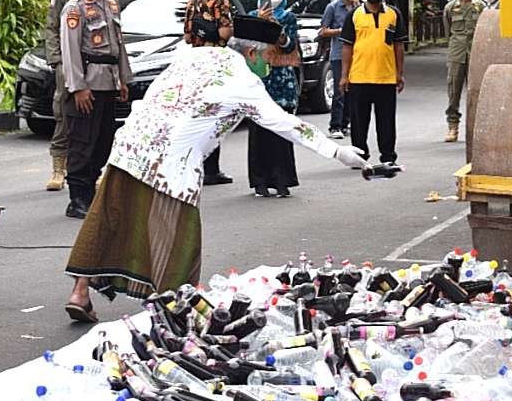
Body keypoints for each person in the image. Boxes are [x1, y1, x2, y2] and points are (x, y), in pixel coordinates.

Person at [62, 27, 367, 319]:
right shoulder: (244, 82)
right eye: (270, 58)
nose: (272, 65)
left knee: (108, 219)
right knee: (180, 241)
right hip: (171, 163)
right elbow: (286, 124)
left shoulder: (193, 54)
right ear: (251, 52)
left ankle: (80, 292)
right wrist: (338, 152)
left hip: (130, 145)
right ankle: (171, 311)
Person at [60, 0, 132, 219]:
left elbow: (119, 44)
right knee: (83, 142)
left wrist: (123, 78)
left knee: (103, 141)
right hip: (88, 84)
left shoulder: (112, 2)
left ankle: (90, 192)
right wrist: (78, 87)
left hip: (109, 81)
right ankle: (78, 198)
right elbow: (69, 49)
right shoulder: (75, 7)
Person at [340, 0, 407, 165]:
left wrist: (399, 74)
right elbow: (347, 46)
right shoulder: (354, 15)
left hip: (386, 78)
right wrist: (344, 76)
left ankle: (388, 157)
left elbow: (398, 46)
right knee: (359, 122)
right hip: (359, 77)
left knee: (386, 121)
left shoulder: (394, 14)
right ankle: (360, 155)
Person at [246, 0, 301, 198]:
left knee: (281, 131)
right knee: (259, 132)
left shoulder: (288, 18)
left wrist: (277, 30)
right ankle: (259, 181)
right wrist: (260, 24)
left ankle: (282, 180)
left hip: (282, 80)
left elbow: (290, 47)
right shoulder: (252, 17)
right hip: (259, 80)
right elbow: (248, 47)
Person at [183, 0, 235, 186]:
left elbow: (186, 36)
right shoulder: (221, 0)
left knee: (198, 116)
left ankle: (196, 164)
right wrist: (215, 32)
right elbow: (225, 32)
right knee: (215, 116)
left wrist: (201, 31)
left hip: (195, 62)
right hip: (216, 63)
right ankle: (211, 169)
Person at [44, 0, 81, 191]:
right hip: (66, 65)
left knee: (94, 119)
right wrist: (56, 60)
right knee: (62, 114)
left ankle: (92, 167)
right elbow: (52, 28)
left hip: (92, 65)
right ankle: (58, 167)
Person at [442, 0, 485, 143]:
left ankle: (475, 128)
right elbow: (448, 32)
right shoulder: (450, 8)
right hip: (457, 53)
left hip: (476, 52)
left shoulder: (480, 7)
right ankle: (453, 126)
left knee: (476, 91)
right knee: (454, 91)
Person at [320, 0, 360, 139]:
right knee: (339, 90)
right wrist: (340, 31)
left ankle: (346, 123)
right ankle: (335, 125)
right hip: (338, 54)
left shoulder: (360, 9)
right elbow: (323, 30)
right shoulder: (333, 7)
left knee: (353, 91)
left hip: (358, 55)